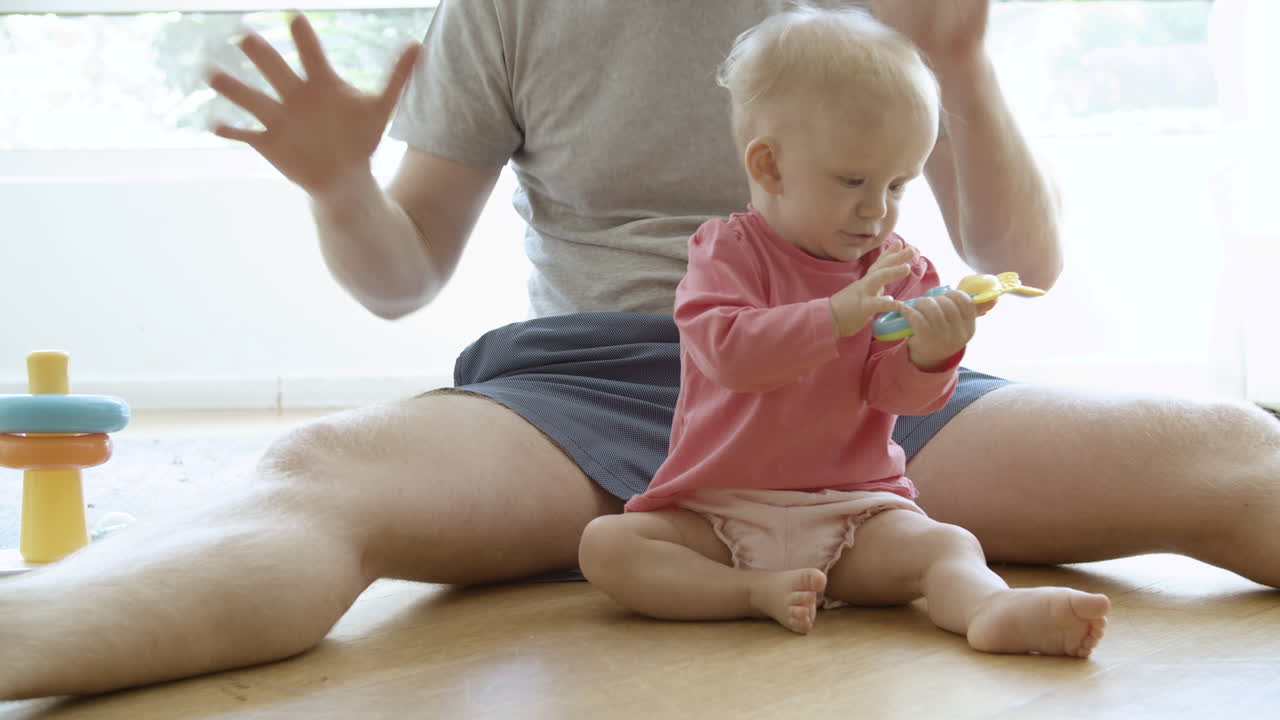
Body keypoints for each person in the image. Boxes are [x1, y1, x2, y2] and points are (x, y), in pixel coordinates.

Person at [1, 0, 1275, 699]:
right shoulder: (505, 10)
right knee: (317, 474)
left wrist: (956, 58)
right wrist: (341, 189)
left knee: (1221, 445)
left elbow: (1019, 260)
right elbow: (401, 278)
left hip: (864, 376)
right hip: (584, 381)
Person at [577, 6, 1110, 656]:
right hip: (716, 510)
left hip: (855, 511)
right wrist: (838, 314)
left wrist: (932, 355)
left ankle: (988, 607)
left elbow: (894, 396)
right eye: (853, 180)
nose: (876, 209)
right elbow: (731, 354)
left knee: (948, 545)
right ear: (769, 167)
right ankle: (748, 592)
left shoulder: (901, 269)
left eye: (897, 185)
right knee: (609, 546)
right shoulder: (725, 251)